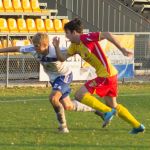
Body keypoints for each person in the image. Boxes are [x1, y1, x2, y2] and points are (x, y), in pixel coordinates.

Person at [52, 18, 145, 134]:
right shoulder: (74, 46)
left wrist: (122, 49)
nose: (66, 36)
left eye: (67, 33)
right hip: (109, 74)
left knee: (79, 95)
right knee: (113, 105)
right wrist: (56, 47)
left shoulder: (85, 38)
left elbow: (106, 34)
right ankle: (137, 126)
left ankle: (106, 112)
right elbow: (62, 58)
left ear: (74, 32)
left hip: (106, 74)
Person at [0, 32, 104, 133]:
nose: (34, 48)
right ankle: (97, 110)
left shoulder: (55, 50)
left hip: (64, 76)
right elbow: (16, 48)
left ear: (45, 45)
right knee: (68, 105)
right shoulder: (33, 49)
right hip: (54, 79)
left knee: (53, 98)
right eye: (34, 45)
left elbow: (75, 50)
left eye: (37, 46)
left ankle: (62, 127)